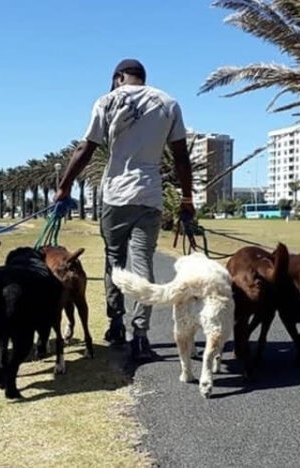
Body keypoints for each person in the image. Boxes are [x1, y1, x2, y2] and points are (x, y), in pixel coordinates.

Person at [55, 58, 195, 362]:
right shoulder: (169, 102)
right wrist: (187, 199)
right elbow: (182, 157)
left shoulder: (107, 101)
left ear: (118, 77)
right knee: (143, 264)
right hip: (150, 196)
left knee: (114, 261)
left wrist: (64, 186)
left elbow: (85, 148)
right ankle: (140, 335)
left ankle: (116, 324)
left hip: (115, 196)